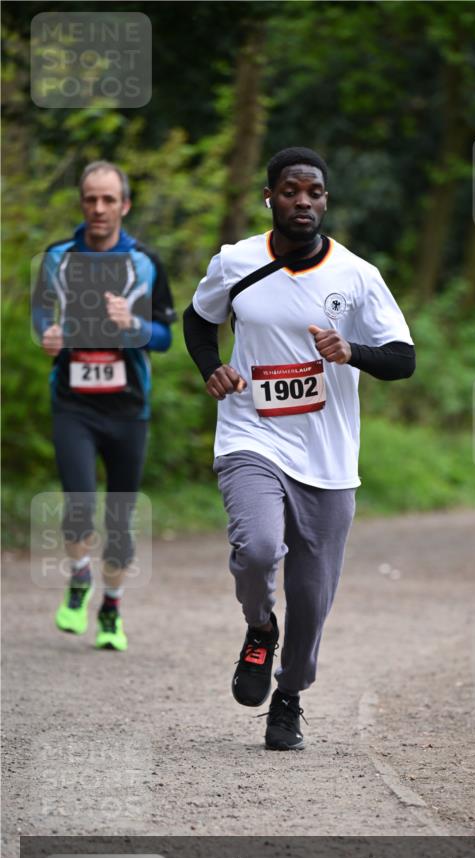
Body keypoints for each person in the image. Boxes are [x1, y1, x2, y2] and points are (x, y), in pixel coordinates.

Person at [184, 146, 415, 750]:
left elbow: (403, 358)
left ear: (326, 200)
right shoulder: (236, 262)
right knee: (259, 548)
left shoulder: (356, 276)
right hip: (250, 434)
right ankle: (260, 628)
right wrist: (212, 366)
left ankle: (288, 696)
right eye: (291, 191)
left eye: (313, 192)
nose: (303, 202)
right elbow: (197, 318)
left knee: (312, 602)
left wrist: (351, 351)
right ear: (271, 198)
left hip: (328, 457)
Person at [32, 160, 175, 651]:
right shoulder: (56, 257)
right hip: (73, 403)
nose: (98, 208)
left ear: (125, 205)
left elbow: (165, 338)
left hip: (128, 408)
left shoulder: (147, 263)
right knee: (77, 507)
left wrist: (132, 325)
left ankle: (111, 608)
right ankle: (78, 578)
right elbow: (40, 316)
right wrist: (46, 337)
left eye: (108, 199)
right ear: (82, 203)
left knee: (119, 521)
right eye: (90, 199)